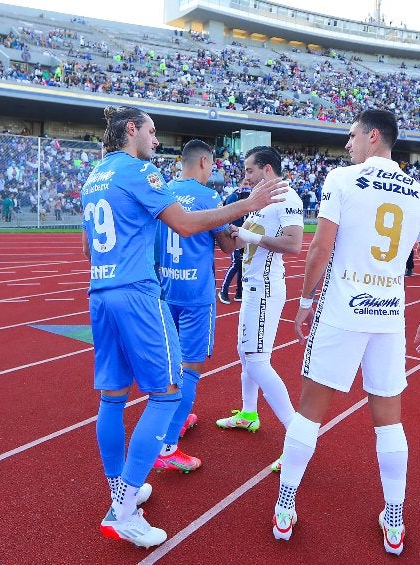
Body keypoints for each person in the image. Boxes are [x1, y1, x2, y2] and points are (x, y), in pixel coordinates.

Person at [81, 106, 287, 548]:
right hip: (138, 292)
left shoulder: (94, 175)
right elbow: (185, 223)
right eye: (152, 132)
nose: (157, 142)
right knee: (168, 392)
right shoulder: (140, 171)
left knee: (113, 397)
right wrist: (247, 205)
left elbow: (86, 246)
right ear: (131, 130)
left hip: (101, 291)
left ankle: (121, 489)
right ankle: (124, 508)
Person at [276, 110, 420, 555]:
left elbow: (320, 247)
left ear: (373, 136)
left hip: (341, 310)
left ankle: (285, 503)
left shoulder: (342, 178)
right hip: (389, 315)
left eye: (352, 135)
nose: (347, 144)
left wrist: (306, 300)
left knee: (310, 410)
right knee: (389, 420)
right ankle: (394, 517)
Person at [215, 146, 304, 464]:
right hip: (252, 288)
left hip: (265, 288)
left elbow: (294, 244)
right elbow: (235, 242)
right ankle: (249, 413)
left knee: (256, 359)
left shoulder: (288, 198)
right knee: (245, 354)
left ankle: (297, 435)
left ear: (267, 170)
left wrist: (247, 236)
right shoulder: (259, 201)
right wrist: (217, 223)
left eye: (250, 170)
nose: (245, 175)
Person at [152, 140, 235, 473]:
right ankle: (169, 445)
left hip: (166, 288)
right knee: (192, 368)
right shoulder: (209, 197)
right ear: (204, 161)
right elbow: (227, 245)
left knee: (170, 363)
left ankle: (177, 416)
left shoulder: (164, 192)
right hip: (196, 296)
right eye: (212, 165)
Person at [219, 183, 250, 303]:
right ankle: (223, 291)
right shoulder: (233, 198)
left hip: (243, 235)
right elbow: (225, 212)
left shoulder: (249, 202)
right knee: (236, 263)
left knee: (243, 264)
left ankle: (239, 292)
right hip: (233, 235)